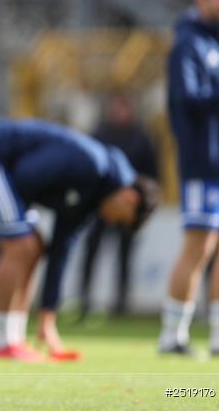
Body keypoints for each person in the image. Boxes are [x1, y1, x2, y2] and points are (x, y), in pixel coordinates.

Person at [0, 119, 158, 362]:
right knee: (22, 245)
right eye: (122, 220)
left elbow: (60, 251)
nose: (111, 223)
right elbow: (25, 176)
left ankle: (15, 340)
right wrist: (12, 238)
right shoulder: (90, 163)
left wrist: (48, 319)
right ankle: (2, 343)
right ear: (130, 198)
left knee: (34, 247)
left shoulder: (95, 193)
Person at [158, 0, 219, 356]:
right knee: (199, 247)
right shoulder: (188, 44)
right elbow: (188, 100)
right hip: (205, 162)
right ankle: (172, 334)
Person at [78, 93, 159, 319]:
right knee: (91, 250)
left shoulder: (141, 138)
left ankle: (121, 302)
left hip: (130, 207)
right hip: (101, 206)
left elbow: (153, 175)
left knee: (125, 255)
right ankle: (84, 299)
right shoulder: (101, 133)